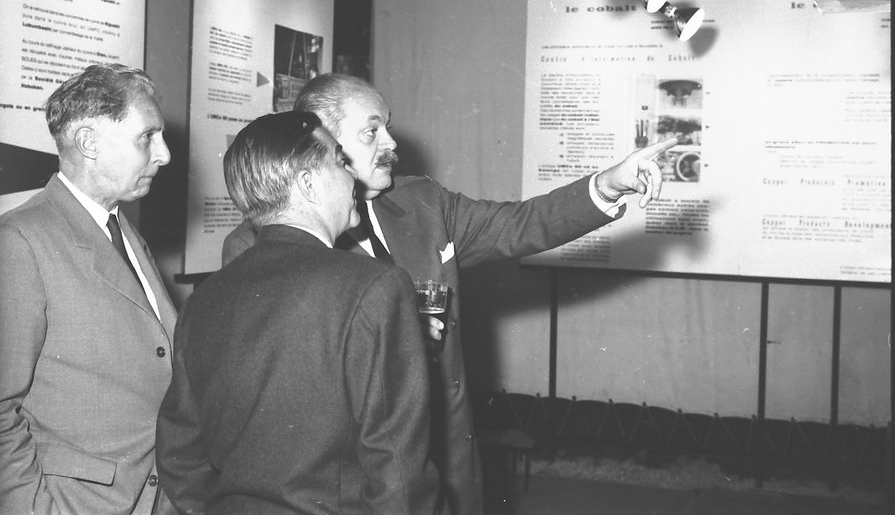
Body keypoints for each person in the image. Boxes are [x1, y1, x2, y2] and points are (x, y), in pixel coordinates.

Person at [222, 73, 678, 515]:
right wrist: (395, 336)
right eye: (371, 131)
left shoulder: (423, 202)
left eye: (388, 127)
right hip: (356, 483)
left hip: (447, 459)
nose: (391, 143)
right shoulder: (254, 247)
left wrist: (608, 184)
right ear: (325, 142)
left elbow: (519, 224)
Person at [156, 111, 440, 514]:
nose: (353, 177)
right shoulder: (376, 286)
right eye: (341, 162)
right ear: (308, 184)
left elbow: (180, 456)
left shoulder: (203, 300)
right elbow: (399, 472)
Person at [0, 64, 177, 515]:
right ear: (89, 142)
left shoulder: (124, 231)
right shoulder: (21, 240)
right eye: (147, 136)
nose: (164, 154)